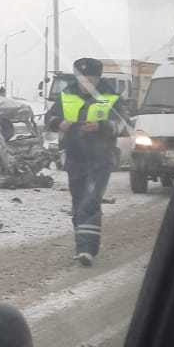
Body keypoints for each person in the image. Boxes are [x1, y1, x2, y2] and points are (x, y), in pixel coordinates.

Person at [45, 57, 126, 267]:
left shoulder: (112, 97)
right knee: (79, 201)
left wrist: (101, 126)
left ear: (98, 78)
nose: (86, 83)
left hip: (101, 159)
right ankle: (80, 244)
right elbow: (48, 119)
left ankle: (87, 249)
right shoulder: (66, 96)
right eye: (82, 78)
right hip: (75, 158)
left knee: (90, 200)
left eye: (90, 79)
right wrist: (59, 123)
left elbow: (122, 125)